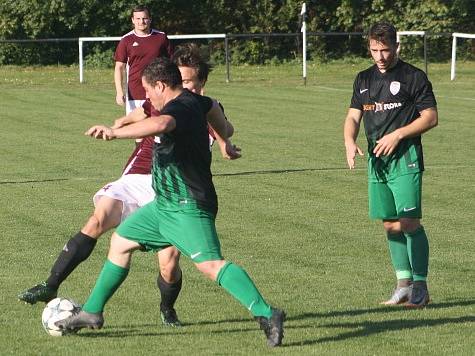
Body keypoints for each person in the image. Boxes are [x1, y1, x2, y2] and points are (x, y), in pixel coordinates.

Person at [56, 57, 285, 347]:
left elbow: (162, 123)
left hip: (188, 204)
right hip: (164, 205)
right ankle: (92, 311)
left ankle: (268, 313)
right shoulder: (196, 100)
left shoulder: (177, 108)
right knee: (120, 241)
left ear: (161, 85)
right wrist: (224, 139)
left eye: (148, 91)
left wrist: (115, 132)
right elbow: (213, 108)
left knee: (211, 265)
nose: (147, 97)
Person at [18, 44, 233, 327]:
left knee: (168, 264)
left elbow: (221, 130)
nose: (179, 85)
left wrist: (225, 143)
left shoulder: (204, 107)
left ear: (201, 82)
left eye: (188, 80)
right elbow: (142, 114)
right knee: (99, 219)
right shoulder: (162, 100)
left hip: (173, 190)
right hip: (137, 176)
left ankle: (167, 310)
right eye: (176, 79)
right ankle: (51, 284)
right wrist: (120, 123)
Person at [343, 22, 438, 308]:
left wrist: (397, 135)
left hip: (405, 159)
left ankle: (420, 286)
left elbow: (430, 117)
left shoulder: (413, 77)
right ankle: (403, 285)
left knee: (409, 222)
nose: (380, 56)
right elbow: (352, 117)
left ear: (397, 46)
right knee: (390, 224)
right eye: (375, 50)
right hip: (377, 162)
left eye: (385, 50)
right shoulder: (363, 79)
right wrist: (349, 140)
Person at [114, 5, 172, 114]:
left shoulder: (161, 37)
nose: (141, 22)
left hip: (158, 91)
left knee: (159, 127)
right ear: (133, 20)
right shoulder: (126, 40)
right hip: (135, 92)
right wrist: (119, 91)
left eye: (144, 18)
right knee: (136, 128)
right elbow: (119, 67)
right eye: (138, 18)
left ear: (150, 19)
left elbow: (171, 64)